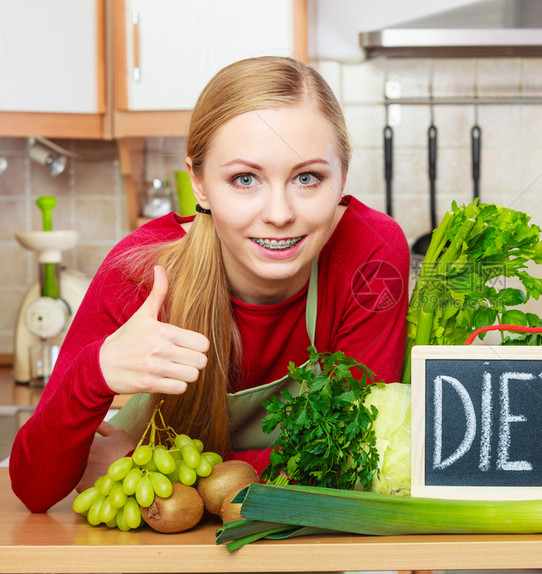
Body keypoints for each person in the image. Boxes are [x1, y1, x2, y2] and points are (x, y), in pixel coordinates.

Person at [11, 56, 410, 513]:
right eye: (245, 179)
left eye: (307, 178)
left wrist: (157, 470)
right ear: (199, 183)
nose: (279, 214)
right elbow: (34, 487)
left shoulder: (370, 253)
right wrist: (96, 370)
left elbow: (356, 457)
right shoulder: (142, 268)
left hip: (302, 551)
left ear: (342, 175)